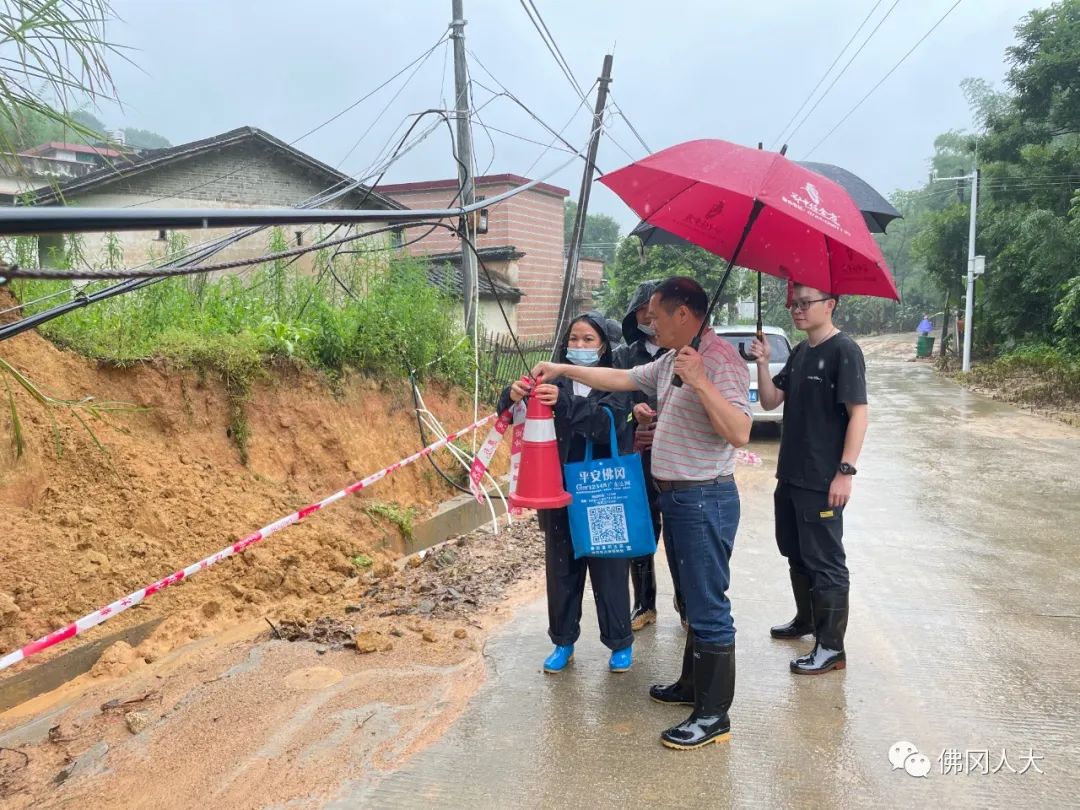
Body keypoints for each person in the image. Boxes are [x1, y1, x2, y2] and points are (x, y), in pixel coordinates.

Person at [532, 277, 751, 750]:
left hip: (704, 498)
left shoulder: (720, 363)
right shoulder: (672, 358)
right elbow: (622, 379)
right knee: (693, 598)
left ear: (684, 315)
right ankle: (691, 687)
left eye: (655, 313)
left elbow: (739, 432)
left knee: (709, 607)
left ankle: (713, 716)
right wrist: (561, 368)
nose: (648, 321)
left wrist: (701, 383)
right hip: (677, 496)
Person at [499, 311, 634, 675]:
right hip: (555, 492)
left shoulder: (617, 382)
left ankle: (620, 643)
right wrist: (510, 396)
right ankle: (562, 641)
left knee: (609, 571)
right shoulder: (548, 379)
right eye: (573, 339)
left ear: (604, 346)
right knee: (561, 571)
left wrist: (565, 402)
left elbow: (607, 425)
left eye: (588, 340)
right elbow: (513, 414)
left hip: (601, 491)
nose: (579, 346)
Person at [750, 284, 868, 675]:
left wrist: (845, 472)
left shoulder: (843, 351)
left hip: (822, 479)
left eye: (805, 303)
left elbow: (859, 415)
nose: (797, 310)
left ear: (830, 305)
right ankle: (806, 620)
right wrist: (764, 362)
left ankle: (832, 647)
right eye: (793, 304)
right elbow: (769, 402)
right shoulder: (801, 352)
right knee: (795, 551)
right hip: (791, 474)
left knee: (826, 561)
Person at [611, 280, 681, 632]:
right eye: (644, 312)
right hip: (637, 461)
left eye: (657, 312)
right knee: (642, 531)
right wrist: (631, 418)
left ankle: (686, 603)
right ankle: (644, 603)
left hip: (678, 461)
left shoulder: (684, 354)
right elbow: (612, 402)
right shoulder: (625, 357)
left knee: (680, 535)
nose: (651, 318)